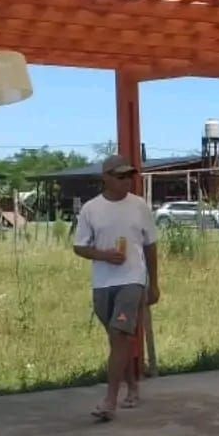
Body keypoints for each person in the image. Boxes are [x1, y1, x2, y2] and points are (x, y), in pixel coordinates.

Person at [73, 154, 161, 421]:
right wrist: (104, 256)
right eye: (120, 176)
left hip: (132, 280)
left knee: (119, 334)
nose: (126, 181)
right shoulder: (91, 209)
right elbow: (79, 246)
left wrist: (154, 283)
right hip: (102, 283)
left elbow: (150, 245)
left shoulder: (138, 206)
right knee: (116, 340)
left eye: (129, 176)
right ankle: (132, 384)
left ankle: (110, 400)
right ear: (106, 178)